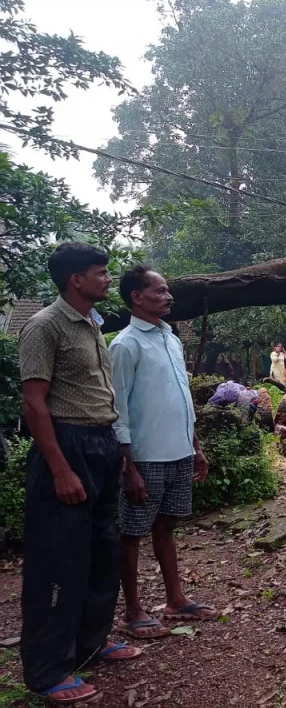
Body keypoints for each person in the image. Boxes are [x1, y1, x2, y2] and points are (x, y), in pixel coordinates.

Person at [18, 242, 142, 705]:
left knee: (100, 550)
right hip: (66, 446)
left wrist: (119, 454)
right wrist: (59, 468)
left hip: (101, 444)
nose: (109, 279)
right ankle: (49, 670)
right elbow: (34, 404)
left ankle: (91, 643)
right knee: (59, 558)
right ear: (76, 280)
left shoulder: (92, 323)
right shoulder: (44, 326)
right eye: (101, 272)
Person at [109, 266, 213, 641]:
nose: (169, 297)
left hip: (178, 451)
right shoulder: (125, 345)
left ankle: (175, 599)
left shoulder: (171, 338)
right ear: (137, 297)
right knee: (131, 533)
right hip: (146, 456)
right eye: (161, 291)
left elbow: (180, 398)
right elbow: (117, 409)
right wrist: (128, 466)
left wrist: (196, 447)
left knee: (167, 526)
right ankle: (133, 611)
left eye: (168, 291)